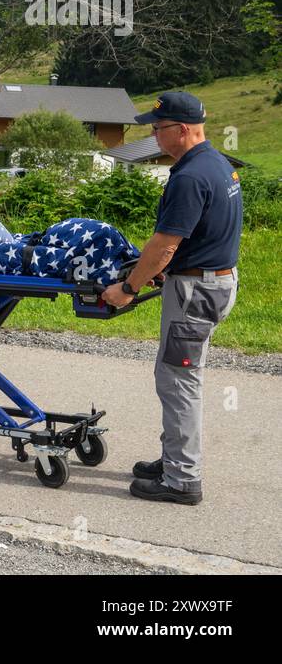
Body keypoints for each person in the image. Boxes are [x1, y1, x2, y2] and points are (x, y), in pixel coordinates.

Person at [102, 92, 242, 506]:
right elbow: (205, 231)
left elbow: (164, 243)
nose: (154, 135)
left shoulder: (189, 177)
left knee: (179, 382)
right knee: (178, 378)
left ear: (182, 130)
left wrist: (126, 289)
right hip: (212, 280)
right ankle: (174, 460)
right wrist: (166, 265)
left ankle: (182, 480)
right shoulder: (216, 164)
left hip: (196, 291)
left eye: (159, 128)